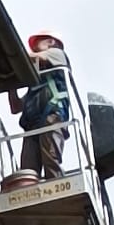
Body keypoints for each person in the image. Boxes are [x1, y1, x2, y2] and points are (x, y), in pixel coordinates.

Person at [11, 32, 72, 179]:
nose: (34, 49)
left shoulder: (57, 53)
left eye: (38, 43)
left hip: (52, 116)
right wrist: (11, 85)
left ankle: (57, 187)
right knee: (28, 171)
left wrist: (12, 56)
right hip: (32, 126)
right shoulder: (37, 85)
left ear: (51, 42)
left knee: (50, 160)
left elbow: (37, 57)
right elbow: (15, 107)